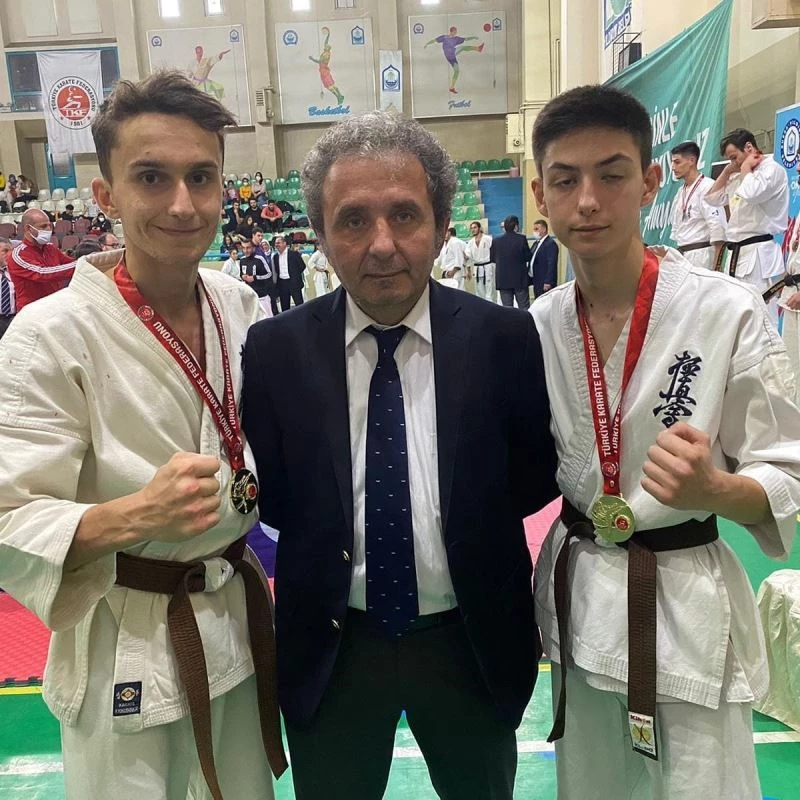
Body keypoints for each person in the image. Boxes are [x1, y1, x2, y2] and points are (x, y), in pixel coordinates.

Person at [241, 109, 558, 800]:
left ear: (442, 227)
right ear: (321, 235)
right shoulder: (276, 350)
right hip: (335, 646)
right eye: (353, 220)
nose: (381, 244)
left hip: (470, 641)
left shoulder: (505, 339)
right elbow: (280, 499)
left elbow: (532, 479)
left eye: (405, 215)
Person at [0, 70, 286, 800]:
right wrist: (134, 515)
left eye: (201, 177)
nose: (182, 204)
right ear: (106, 195)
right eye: (152, 178)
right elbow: (8, 521)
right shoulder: (48, 335)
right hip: (121, 639)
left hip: (232, 622)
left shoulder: (238, 303)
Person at [528, 83, 800, 800]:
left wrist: (718, 489)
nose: (589, 200)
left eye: (612, 175)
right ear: (541, 195)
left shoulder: (724, 310)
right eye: (566, 180)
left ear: (650, 183)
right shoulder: (539, 324)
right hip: (583, 598)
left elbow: (788, 470)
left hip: (686, 604)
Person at [705, 128, 789, 326]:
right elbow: (711, 198)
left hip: (758, 253)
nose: (733, 163)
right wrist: (728, 171)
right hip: (737, 251)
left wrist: (745, 169)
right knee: (737, 312)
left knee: (760, 313)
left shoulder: (771, 169)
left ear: (749, 147)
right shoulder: (740, 173)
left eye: (734, 157)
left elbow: (752, 193)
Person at [669, 140, 727, 270]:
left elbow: (717, 228)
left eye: (677, 162)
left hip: (702, 255)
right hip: (682, 256)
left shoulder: (707, 187)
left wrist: (717, 268)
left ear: (691, 160)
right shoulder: (680, 192)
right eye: (672, 162)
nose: (673, 167)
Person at [6, 207, 75, 310]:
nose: (48, 229)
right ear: (28, 228)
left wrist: (88, 262)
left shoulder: (51, 248)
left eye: (49, 225)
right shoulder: (18, 255)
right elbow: (42, 273)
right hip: (32, 312)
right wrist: (82, 263)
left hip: (56, 308)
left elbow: (70, 264)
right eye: (43, 226)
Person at [424, 26, 485, 95]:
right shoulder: (444, 37)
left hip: (452, 56)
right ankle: (478, 49)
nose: (456, 33)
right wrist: (427, 44)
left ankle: (451, 88)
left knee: (457, 71)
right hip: (449, 54)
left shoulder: (456, 39)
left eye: (456, 32)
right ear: (451, 31)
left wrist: (473, 37)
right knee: (463, 48)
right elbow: (434, 40)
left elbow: (465, 39)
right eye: (455, 32)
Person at [491, 214, 532, 309]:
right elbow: (527, 256)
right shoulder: (521, 239)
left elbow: (492, 258)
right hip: (520, 279)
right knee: (524, 308)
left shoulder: (496, 241)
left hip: (503, 279)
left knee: (507, 309)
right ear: (516, 226)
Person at [309, 26, 345, 106]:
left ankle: (338, 97)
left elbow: (319, 61)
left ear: (328, 48)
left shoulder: (326, 55)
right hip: (324, 70)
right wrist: (328, 34)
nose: (325, 46)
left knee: (329, 86)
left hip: (324, 71)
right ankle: (340, 95)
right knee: (332, 84)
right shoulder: (326, 52)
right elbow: (326, 42)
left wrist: (312, 59)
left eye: (326, 46)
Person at [240, 237, 274, 317]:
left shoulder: (259, 259)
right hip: (249, 296)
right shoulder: (242, 260)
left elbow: (269, 274)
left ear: (253, 248)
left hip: (262, 296)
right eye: (243, 248)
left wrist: (255, 278)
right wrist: (242, 276)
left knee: (267, 319)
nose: (245, 250)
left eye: (248, 248)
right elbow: (241, 274)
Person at [270, 234, 304, 311]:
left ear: (284, 243)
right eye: (275, 243)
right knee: (285, 307)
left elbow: (302, 266)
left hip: (294, 282)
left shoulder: (294, 254)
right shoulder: (275, 257)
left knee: (300, 305)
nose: (276, 245)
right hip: (282, 284)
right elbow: (276, 271)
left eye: (278, 243)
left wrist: (295, 275)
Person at [528, 218, 559, 298]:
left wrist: (548, 281)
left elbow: (551, 264)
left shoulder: (550, 244)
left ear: (544, 229)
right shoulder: (536, 244)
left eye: (536, 229)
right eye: (534, 229)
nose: (534, 231)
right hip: (536, 280)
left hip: (544, 282)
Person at [464, 220, 494, 302]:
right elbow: (468, 257)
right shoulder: (470, 242)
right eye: (471, 228)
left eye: (475, 227)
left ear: (479, 228)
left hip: (488, 266)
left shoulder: (488, 239)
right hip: (477, 268)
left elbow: (494, 251)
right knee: (479, 291)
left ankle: (490, 307)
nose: (473, 230)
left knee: (489, 291)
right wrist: (468, 270)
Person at [0, 236, 16, 339]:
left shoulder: (16, 272)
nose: (9, 254)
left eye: (11, 251)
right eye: (5, 251)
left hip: (13, 320)